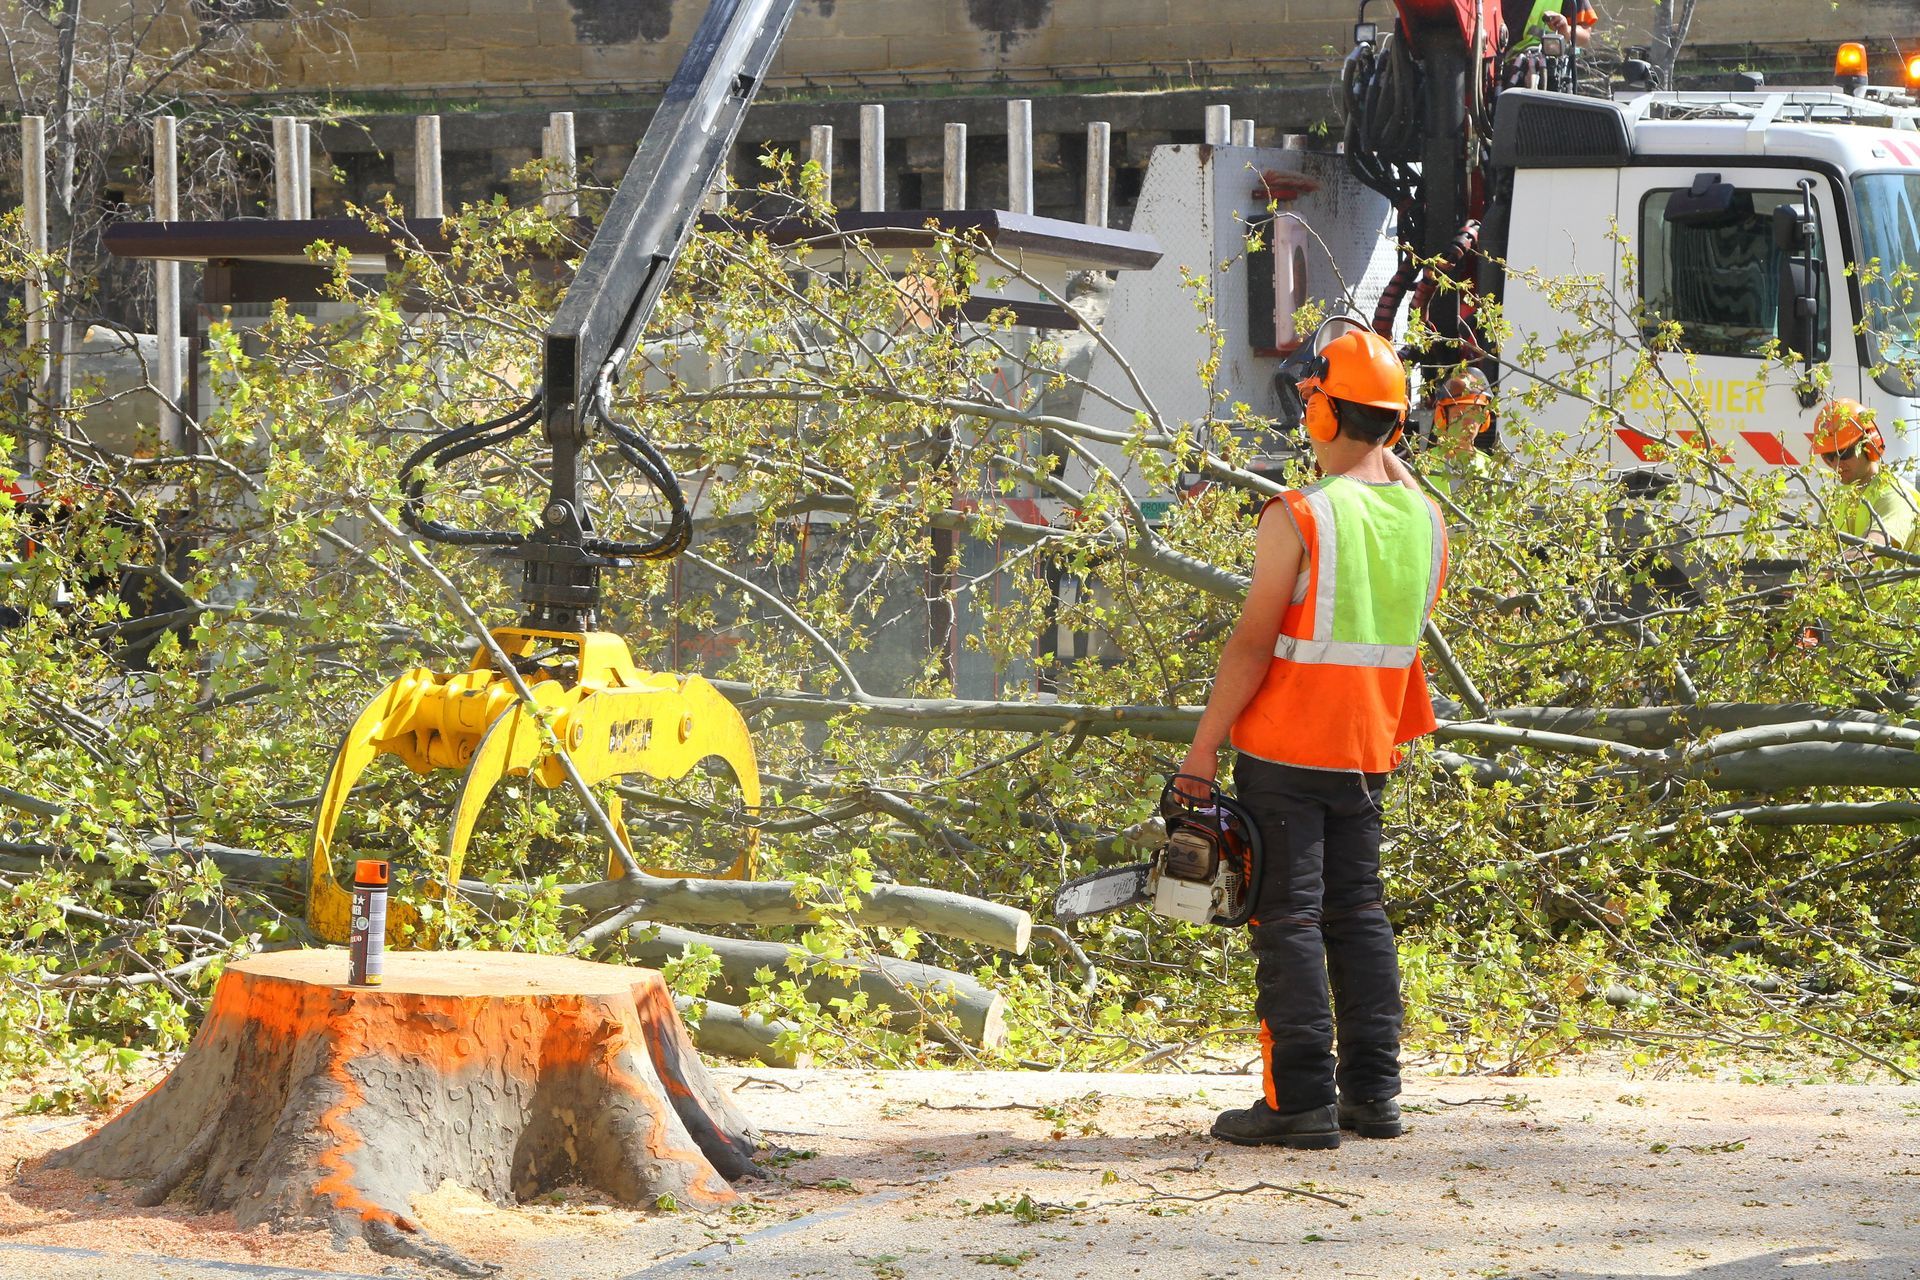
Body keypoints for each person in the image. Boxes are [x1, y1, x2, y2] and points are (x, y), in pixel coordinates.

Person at [1177, 324, 1448, 1150]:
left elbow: (1251, 646)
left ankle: (1298, 1100)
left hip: (1286, 748)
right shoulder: (1428, 522)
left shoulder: (1299, 516)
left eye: (1313, 406)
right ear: (1396, 425)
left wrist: (1202, 751)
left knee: (1287, 919)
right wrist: (1388, 452)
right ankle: (1374, 1094)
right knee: (1358, 913)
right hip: (1368, 749)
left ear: (1324, 416)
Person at [1812, 398, 1920, 555]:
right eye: (1829, 456)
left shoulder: (1894, 495)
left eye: (1844, 453)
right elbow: (1821, 558)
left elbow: (1869, 552)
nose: (1837, 462)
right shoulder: (1834, 502)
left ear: (1870, 445)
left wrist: (1834, 566)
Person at [1418, 366, 1499, 499]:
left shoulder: (1491, 469)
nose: (1467, 423)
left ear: (1484, 418)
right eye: (1458, 415)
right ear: (1442, 418)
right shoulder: (1423, 466)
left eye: (1474, 414)